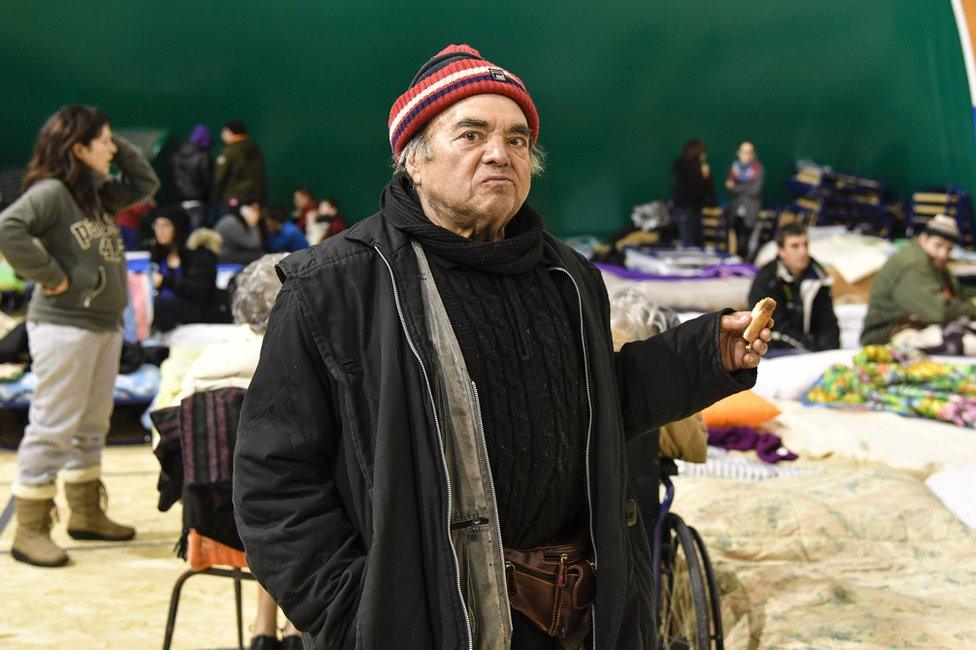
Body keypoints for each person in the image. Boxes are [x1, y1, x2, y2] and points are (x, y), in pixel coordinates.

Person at [232, 44, 772, 650]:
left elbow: (596, 407)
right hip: (425, 625)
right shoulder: (335, 287)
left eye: (517, 139)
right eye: (471, 134)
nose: (500, 153)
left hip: (574, 622)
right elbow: (273, 481)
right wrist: (358, 612)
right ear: (414, 159)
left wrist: (706, 354)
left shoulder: (569, 278)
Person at [0, 104, 159, 567]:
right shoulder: (51, 192)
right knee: (54, 425)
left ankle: (86, 513)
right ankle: (29, 529)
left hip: (101, 326)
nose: (113, 148)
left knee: (92, 425)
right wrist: (50, 274)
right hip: (63, 325)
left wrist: (109, 143)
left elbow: (146, 185)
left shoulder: (97, 193)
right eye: (104, 140)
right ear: (77, 147)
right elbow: (8, 226)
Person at [861, 214, 976, 353]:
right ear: (923, 239)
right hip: (887, 334)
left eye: (949, 249)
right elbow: (937, 311)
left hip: (920, 326)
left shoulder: (935, 263)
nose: (943, 253)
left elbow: (958, 294)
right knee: (969, 345)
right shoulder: (913, 264)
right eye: (938, 245)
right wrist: (972, 306)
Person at [748, 223, 839, 353]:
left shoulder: (818, 276)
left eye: (805, 245)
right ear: (781, 250)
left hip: (811, 348)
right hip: (775, 350)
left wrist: (828, 353)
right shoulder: (767, 280)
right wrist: (810, 349)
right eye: (795, 246)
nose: (803, 252)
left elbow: (828, 322)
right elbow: (775, 327)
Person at [149, 206, 220, 332]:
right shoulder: (158, 254)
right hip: (166, 311)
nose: (160, 230)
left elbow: (199, 291)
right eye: (157, 225)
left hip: (197, 310)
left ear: (177, 227)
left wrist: (166, 281)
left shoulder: (199, 254)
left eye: (165, 225)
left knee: (160, 304)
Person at [213, 120, 267, 208]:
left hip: (233, 200)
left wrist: (215, 199)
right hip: (255, 200)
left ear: (232, 133)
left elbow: (219, 177)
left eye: (225, 132)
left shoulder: (229, 152)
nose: (222, 135)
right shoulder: (255, 149)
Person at [672, 138, 715, 247]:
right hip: (688, 209)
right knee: (690, 243)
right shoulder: (694, 169)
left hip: (690, 209)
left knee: (694, 241)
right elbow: (696, 190)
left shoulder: (681, 167)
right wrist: (705, 177)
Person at [725, 141, 764, 259]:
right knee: (735, 241)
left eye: (748, 152)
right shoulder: (734, 168)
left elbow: (755, 190)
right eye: (743, 152)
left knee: (745, 242)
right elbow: (729, 187)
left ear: (753, 154)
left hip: (750, 212)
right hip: (736, 210)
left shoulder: (758, 169)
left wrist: (736, 187)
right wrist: (745, 187)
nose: (745, 155)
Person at [171, 124, 214, 231]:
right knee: (198, 238)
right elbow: (208, 181)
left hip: (179, 203)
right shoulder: (203, 157)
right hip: (198, 203)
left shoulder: (176, 155)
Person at [215, 198, 266, 265]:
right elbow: (254, 245)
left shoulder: (234, 220)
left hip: (229, 252)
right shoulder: (232, 222)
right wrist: (253, 225)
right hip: (222, 256)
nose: (256, 214)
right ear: (244, 210)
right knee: (260, 256)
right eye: (253, 210)